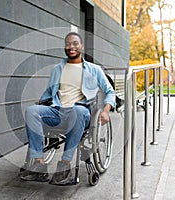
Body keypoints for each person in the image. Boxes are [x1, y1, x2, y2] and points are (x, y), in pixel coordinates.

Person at [20, 32, 116, 185]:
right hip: (58, 111)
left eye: (75, 43)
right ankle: (39, 163)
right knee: (31, 111)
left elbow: (110, 91)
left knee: (77, 111)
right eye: (68, 44)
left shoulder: (94, 69)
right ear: (64, 47)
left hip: (81, 112)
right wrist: (39, 104)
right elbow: (49, 93)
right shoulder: (57, 69)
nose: (71, 47)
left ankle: (65, 165)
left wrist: (106, 110)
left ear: (81, 46)